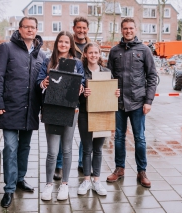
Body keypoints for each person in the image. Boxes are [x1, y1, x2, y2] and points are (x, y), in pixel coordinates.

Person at [0, 17, 46, 208]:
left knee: (25, 148)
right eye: (26, 27)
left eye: (33, 27)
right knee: (11, 148)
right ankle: (9, 189)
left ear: (37, 30)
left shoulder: (42, 55)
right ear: (20, 29)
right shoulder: (6, 48)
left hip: (30, 109)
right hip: (10, 108)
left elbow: (43, 83)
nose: (30, 30)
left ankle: (20, 179)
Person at [106, 18, 157, 188]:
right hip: (118, 103)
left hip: (137, 102)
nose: (128, 31)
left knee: (139, 138)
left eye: (131, 28)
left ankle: (142, 171)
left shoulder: (144, 51)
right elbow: (109, 77)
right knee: (119, 137)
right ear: (121, 30)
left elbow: (151, 77)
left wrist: (148, 101)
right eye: (125, 28)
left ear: (136, 29)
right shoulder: (114, 51)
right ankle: (119, 169)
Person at [38, 31, 84, 201]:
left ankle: (64, 184)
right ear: (57, 43)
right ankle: (49, 184)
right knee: (51, 152)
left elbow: (83, 81)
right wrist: (43, 83)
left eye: (67, 42)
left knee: (67, 150)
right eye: (61, 41)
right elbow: (39, 80)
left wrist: (80, 88)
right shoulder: (48, 62)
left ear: (71, 44)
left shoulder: (77, 64)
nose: (63, 45)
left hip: (70, 110)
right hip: (51, 109)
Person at [77, 42, 120, 196]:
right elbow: (75, 95)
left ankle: (97, 180)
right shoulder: (81, 72)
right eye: (90, 53)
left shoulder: (107, 72)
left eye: (96, 52)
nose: (93, 55)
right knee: (87, 149)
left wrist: (115, 94)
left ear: (99, 54)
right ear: (86, 54)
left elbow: (110, 92)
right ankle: (86, 180)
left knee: (98, 149)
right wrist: (83, 94)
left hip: (103, 114)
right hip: (85, 114)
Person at [53, 16, 91, 180]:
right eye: (79, 27)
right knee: (64, 133)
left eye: (84, 28)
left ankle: (83, 162)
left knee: (85, 134)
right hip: (68, 99)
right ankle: (59, 164)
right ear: (74, 28)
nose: (81, 30)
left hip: (87, 97)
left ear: (87, 29)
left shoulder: (90, 46)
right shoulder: (67, 45)